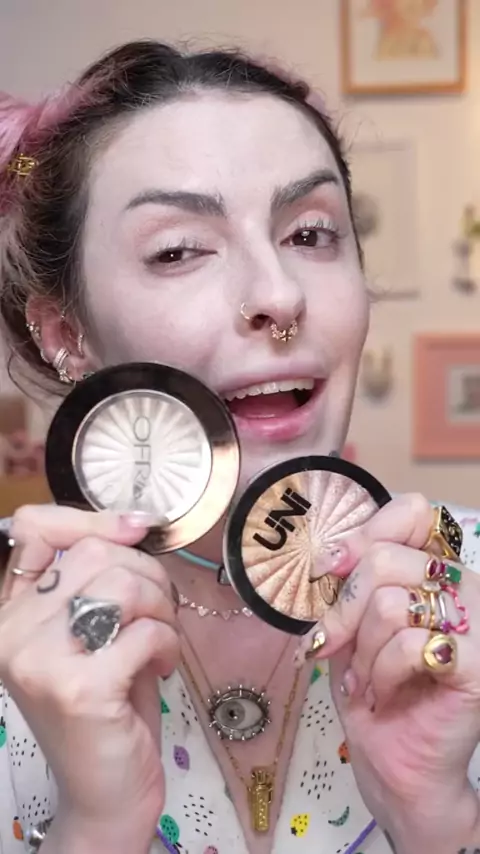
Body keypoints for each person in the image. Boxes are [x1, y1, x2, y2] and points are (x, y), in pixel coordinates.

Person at [0, 39, 479, 854]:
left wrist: (438, 817)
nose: (279, 294)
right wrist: (98, 828)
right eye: (179, 250)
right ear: (64, 332)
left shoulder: (463, 595)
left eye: (312, 234)